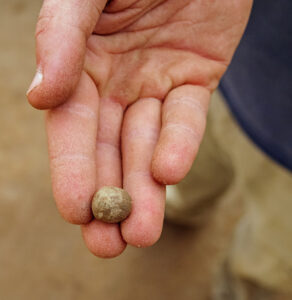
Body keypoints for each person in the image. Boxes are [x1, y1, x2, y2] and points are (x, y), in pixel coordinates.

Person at [27, 0, 292, 298]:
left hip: (285, 154)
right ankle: (180, 207)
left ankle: (242, 291)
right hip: (213, 58)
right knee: (178, 157)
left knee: (275, 253)